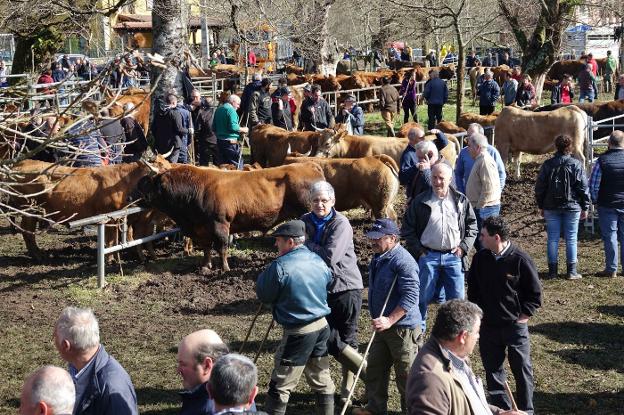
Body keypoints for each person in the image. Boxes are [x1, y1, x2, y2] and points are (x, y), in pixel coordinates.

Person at [256, 220, 335, 415]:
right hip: (322, 326)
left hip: (299, 332)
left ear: (290, 242)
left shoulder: (280, 266)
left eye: (279, 241)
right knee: (321, 376)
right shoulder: (317, 260)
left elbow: (264, 294)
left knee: (281, 382)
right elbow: (330, 281)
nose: (276, 245)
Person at [467, 216, 542, 415]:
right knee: (493, 371)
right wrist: (478, 315)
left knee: (522, 369)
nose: (480, 239)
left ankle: (526, 410)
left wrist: (523, 316)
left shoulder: (520, 260)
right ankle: (502, 410)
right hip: (488, 326)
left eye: (483, 236)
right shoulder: (480, 258)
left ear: (496, 237)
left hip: (514, 327)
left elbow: (535, 294)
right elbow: (473, 289)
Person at [301, 181, 365, 405]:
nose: (320, 204)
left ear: (333, 202)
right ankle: (366, 375)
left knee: (347, 337)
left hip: (345, 288)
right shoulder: (304, 221)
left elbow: (330, 257)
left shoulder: (341, 223)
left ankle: (350, 388)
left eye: (324, 200)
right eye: (316, 200)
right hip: (320, 289)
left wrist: (305, 245)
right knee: (327, 338)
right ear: (310, 201)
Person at [406, 299, 526, 415]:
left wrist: (499, 413)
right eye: (477, 332)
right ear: (463, 337)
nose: (478, 336)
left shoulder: (454, 356)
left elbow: (469, 401)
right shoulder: (431, 380)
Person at [352, 218, 421, 415]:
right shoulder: (379, 256)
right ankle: (375, 409)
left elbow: (411, 296)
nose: (372, 242)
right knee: (375, 369)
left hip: (402, 329)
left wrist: (390, 319)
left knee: (406, 376)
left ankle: (412, 411)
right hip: (382, 327)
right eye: (372, 238)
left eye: (377, 238)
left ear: (392, 238)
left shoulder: (403, 261)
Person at [402, 163, 478, 331]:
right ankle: (418, 331)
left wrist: (464, 247)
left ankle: (456, 332)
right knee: (421, 298)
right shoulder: (420, 201)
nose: (437, 182)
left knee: (457, 301)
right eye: (434, 177)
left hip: (454, 257)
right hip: (428, 257)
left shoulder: (461, 200)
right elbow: (407, 229)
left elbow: (472, 225)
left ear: (450, 179)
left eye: (441, 178)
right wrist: (419, 252)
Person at [53, 307, 138, 415]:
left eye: (54, 337)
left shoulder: (111, 388)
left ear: (66, 346)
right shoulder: (77, 368)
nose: (54, 342)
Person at [535, 134, 590, 279]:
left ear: (556, 146)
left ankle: (553, 271)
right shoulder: (576, 164)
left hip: (551, 206)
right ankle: (571, 271)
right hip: (572, 207)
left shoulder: (548, 164)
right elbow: (583, 188)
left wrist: (541, 205)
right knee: (571, 238)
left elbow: (540, 187)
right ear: (570, 147)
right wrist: (585, 206)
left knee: (552, 238)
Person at [589, 130, 624, 278]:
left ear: (609, 143)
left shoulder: (601, 161)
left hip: (607, 204)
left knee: (610, 236)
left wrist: (596, 200)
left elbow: (594, 185)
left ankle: (611, 268)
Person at [177, 329, 230, 415]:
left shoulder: (205, 410)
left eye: (183, 364)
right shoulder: (242, 394)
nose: (178, 370)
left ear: (207, 365)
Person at [466, 133, 501, 245]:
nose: (468, 149)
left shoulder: (484, 161)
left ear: (478, 148)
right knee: (480, 242)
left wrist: (478, 207)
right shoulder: (481, 160)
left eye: (470, 146)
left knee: (484, 243)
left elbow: (488, 188)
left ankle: (489, 262)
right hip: (483, 208)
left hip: (485, 209)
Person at [454, 123, 506, 195]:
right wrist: (462, 192)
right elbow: (458, 174)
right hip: (469, 197)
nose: (469, 139)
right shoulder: (464, 153)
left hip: (488, 198)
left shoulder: (492, 152)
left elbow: (501, 174)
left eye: (473, 136)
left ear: (482, 136)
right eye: (468, 136)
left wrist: (496, 192)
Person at [399, 128, 449, 201]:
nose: (424, 139)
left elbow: (444, 142)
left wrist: (438, 132)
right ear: (412, 140)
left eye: (424, 136)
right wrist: (416, 167)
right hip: (418, 193)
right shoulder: (407, 155)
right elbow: (402, 178)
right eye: (421, 138)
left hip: (432, 188)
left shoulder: (426, 146)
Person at [212, 94, 248, 168]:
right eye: (238, 104)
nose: (239, 106)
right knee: (237, 164)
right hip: (230, 143)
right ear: (233, 102)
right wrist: (244, 129)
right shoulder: (231, 110)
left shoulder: (218, 109)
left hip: (220, 142)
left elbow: (213, 127)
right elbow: (233, 127)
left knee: (223, 165)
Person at [189, 89, 217, 166]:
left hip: (212, 137)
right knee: (203, 162)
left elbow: (213, 102)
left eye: (196, 97)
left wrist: (201, 103)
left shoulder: (205, 104)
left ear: (200, 97)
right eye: (193, 97)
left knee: (217, 161)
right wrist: (190, 108)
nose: (195, 99)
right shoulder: (189, 105)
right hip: (199, 138)